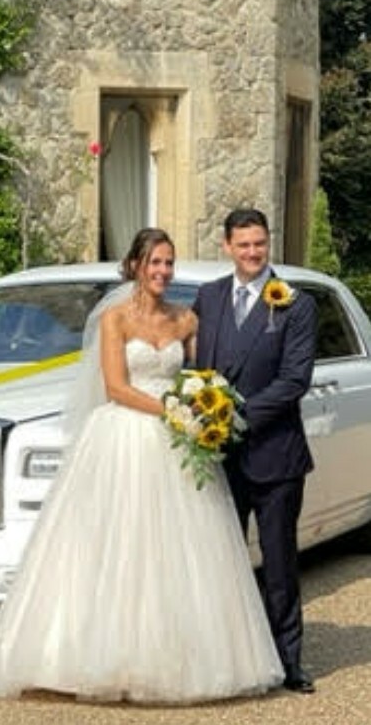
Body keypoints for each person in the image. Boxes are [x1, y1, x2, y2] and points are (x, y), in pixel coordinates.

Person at [0, 228, 284, 704]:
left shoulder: (186, 320)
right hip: (122, 437)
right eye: (155, 262)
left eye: (168, 263)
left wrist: (206, 406)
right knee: (115, 544)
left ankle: (177, 659)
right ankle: (93, 657)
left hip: (175, 445)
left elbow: (205, 374)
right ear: (136, 266)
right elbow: (116, 387)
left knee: (176, 550)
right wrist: (173, 411)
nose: (163, 271)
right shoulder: (115, 319)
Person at [193, 208, 318, 694]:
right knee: (218, 560)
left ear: (269, 243)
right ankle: (224, 657)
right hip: (217, 458)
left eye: (259, 244)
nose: (252, 252)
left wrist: (234, 416)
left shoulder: (295, 304)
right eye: (243, 244)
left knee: (279, 562)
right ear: (227, 246)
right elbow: (194, 368)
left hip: (275, 457)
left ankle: (289, 661)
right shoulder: (208, 297)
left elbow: (294, 380)